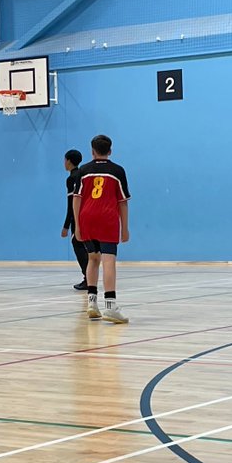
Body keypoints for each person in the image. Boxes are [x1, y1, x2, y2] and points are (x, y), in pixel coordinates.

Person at [72, 135, 130, 323]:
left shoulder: (83, 171)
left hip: (87, 217)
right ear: (110, 151)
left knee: (93, 259)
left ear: (92, 151)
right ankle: (111, 306)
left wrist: (78, 225)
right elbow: (122, 202)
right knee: (108, 261)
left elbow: (76, 198)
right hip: (107, 218)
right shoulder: (117, 171)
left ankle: (92, 303)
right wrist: (125, 228)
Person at [61, 149, 88, 290]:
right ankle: (89, 277)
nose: (64, 163)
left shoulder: (72, 178)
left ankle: (88, 278)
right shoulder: (83, 174)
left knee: (77, 245)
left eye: (65, 160)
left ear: (69, 161)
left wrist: (66, 225)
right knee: (85, 247)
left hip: (78, 218)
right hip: (88, 215)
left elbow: (71, 204)